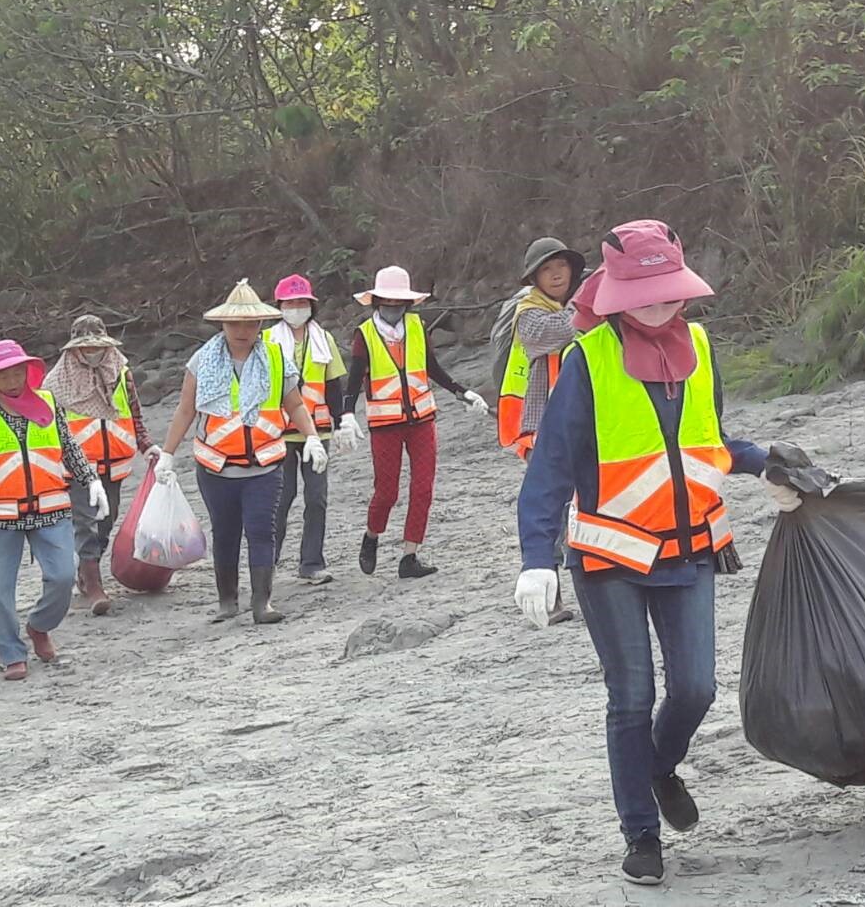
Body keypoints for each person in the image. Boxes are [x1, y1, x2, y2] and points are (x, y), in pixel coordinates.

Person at [514, 219, 800, 885]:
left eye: (667, 290)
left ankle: (659, 766)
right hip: (609, 559)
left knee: (697, 687)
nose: (657, 304)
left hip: (690, 550)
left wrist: (767, 463)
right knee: (631, 696)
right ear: (615, 293)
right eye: (643, 293)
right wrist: (536, 559)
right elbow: (551, 467)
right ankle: (641, 835)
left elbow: (710, 440)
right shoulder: (587, 360)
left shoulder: (698, 345)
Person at [154, 279, 327, 624]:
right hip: (215, 465)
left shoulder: (276, 358)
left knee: (262, 530)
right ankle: (227, 601)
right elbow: (186, 410)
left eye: (250, 324)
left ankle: (262, 603)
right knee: (225, 532)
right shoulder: (202, 361)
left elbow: (294, 404)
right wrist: (168, 455)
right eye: (235, 324)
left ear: (260, 324)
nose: (242, 331)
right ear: (223, 324)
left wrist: (312, 437)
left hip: (265, 463)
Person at [0, 339, 107, 680]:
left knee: (63, 576)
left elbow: (69, 446)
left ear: (28, 371)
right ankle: (11, 653)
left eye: (17, 373)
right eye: (3, 375)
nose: (12, 381)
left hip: (50, 507)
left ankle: (39, 625)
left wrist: (91, 480)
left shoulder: (48, 404)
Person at [341, 265, 488, 578]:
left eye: (399, 302)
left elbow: (432, 368)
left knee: (423, 489)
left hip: (422, 419)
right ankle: (372, 536)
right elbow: (353, 380)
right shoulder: (364, 335)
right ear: (376, 301)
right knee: (387, 492)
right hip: (385, 424)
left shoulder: (418, 327)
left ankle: (410, 556)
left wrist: (462, 392)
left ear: (407, 302)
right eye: (387, 301)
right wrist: (347, 414)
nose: (393, 307)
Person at [498, 237, 588, 623]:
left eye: (561, 266)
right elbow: (554, 333)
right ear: (534, 278)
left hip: (585, 421)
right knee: (550, 507)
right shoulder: (529, 314)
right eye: (546, 269)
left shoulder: (580, 303)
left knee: (583, 506)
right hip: (541, 425)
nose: (555, 274)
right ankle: (550, 597)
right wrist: (590, 305)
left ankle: (592, 589)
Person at [44, 315, 158, 616]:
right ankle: (94, 585)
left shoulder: (120, 371)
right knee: (86, 522)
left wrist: (146, 444)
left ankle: (85, 570)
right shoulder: (57, 382)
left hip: (115, 460)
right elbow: (47, 427)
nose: (92, 351)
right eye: (86, 346)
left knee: (107, 519)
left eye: (97, 345)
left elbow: (134, 412)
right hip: (77, 465)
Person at [267, 274, 347, 585]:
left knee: (316, 498)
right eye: (290, 303)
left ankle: (312, 563)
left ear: (311, 306)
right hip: (279, 432)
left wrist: (342, 421)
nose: (296, 308)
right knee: (280, 498)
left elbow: (333, 385)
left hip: (317, 431)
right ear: (280, 306)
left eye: (302, 302)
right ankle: (267, 563)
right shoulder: (267, 341)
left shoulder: (323, 339)